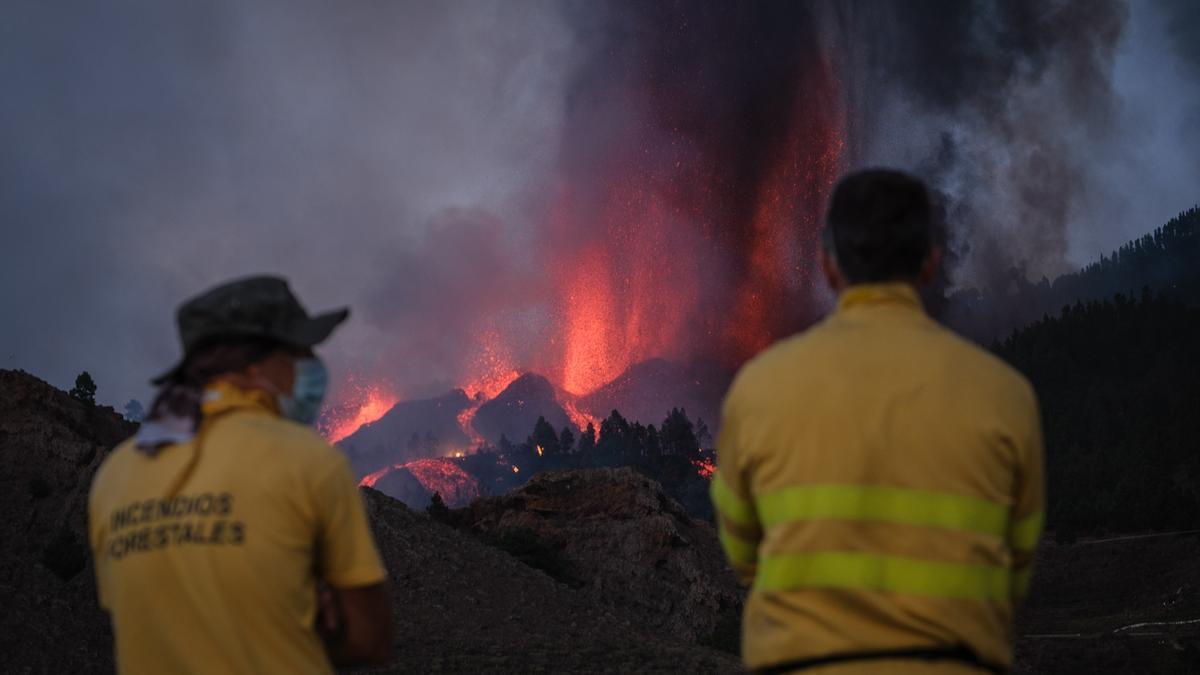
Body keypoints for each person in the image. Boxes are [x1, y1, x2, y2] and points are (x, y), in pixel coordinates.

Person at [712, 169, 1044, 674]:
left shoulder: (759, 391)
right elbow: (1017, 567)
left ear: (827, 264)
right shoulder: (1004, 397)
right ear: (931, 262)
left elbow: (742, 555)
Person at [88, 276, 393, 674]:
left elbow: (149, 618)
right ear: (254, 364)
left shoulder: (116, 475)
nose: (311, 365)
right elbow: (370, 639)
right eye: (299, 351)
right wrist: (309, 621)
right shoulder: (306, 461)